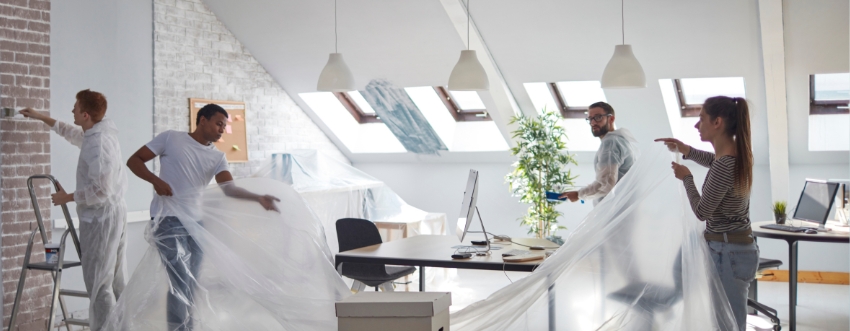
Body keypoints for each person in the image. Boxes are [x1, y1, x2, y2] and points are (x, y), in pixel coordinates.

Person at [126, 104, 280, 330]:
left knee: (190, 282)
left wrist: (258, 198)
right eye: (218, 124)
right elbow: (134, 160)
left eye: (224, 126)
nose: (222, 130)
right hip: (167, 219)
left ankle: (184, 327)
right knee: (180, 279)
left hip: (196, 225)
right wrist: (156, 181)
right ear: (202, 121)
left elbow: (229, 189)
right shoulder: (171, 139)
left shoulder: (217, 157)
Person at [20, 90, 128, 331]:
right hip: (109, 215)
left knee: (99, 284)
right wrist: (40, 117)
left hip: (102, 218)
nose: (72, 111)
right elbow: (71, 132)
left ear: (86, 114)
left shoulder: (98, 143)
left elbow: (103, 189)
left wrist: (67, 197)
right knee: (116, 282)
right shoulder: (97, 134)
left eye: (76, 108)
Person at [656, 96, 758, 331]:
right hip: (734, 250)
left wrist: (687, 178)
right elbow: (714, 161)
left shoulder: (726, 165)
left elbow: (702, 211)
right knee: (729, 321)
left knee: (727, 324)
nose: (696, 125)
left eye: (701, 118)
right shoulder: (737, 156)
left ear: (717, 122)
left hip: (728, 253)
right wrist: (686, 150)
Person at [560, 102, 639, 205]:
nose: (593, 123)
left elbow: (606, 184)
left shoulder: (611, 143)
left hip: (616, 209)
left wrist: (579, 194)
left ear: (611, 119)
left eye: (598, 117)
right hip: (624, 207)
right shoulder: (621, 140)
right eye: (590, 119)